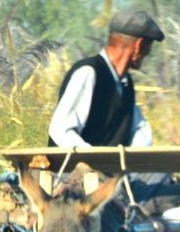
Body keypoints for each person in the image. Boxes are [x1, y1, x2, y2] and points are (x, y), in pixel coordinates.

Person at [47, 8, 162, 151]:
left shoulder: (125, 85)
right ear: (139, 45)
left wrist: (136, 163)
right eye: (149, 45)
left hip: (108, 169)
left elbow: (140, 133)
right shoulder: (88, 73)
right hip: (73, 169)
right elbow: (61, 130)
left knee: (159, 173)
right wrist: (94, 163)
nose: (148, 53)